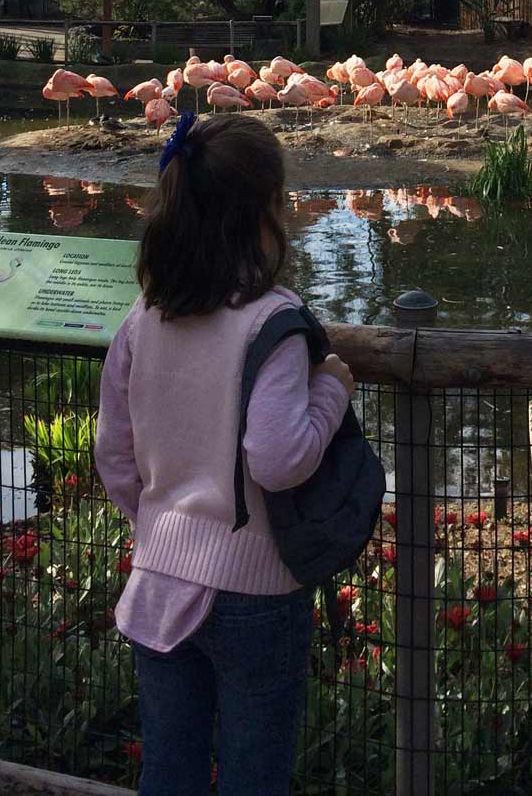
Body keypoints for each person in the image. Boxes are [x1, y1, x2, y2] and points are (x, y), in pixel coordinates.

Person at [95, 111, 354, 796]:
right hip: (255, 592)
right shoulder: (275, 322)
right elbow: (277, 456)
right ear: (267, 210)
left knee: (169, 773)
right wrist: (333, 389)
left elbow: (113, 455)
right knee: (253, 776)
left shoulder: (142, 318)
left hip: (157, 576)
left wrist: (158, 528)